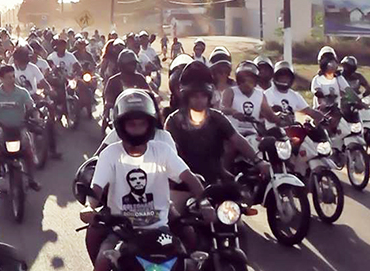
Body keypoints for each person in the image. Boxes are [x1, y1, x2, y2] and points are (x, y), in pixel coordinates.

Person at [82, 89, 213, 271]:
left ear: (150, 124)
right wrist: (89, 207)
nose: (136, 129)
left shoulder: (162, 150)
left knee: (188, 258)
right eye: (131, 124)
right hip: (122, 230)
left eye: (141, 124)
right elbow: (96, 188)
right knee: (103, 262)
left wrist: (205, 203)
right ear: (120, 125)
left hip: (160, 229)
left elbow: (189, 178)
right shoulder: (109, 154)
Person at [165, 61, 270, 194]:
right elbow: (168, 155)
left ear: (208, 97)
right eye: (194, 96)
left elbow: (237, 139)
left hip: (215, 180)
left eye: (203, 96)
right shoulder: (173, 121)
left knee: (240, 203)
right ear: (186, 97)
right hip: (183, 184)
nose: (199, 100)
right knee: (174, 212)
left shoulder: (216, 117)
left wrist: (258, 161)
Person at [0, 65, 41, 192]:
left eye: (13, 76)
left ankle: (32, 179)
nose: (12, 79)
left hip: (20, 127)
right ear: (1, 78)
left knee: (28, 151)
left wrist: (36, 117)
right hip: (1, 128)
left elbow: (31, 106)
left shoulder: (22, 92)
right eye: (8, 77)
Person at [221, 61, 281, 137]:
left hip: (253, 134)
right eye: (243, 80)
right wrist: (233, 112)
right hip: (233, 133)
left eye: (250, 80)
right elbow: (223, 108)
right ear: (238, 81)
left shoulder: (260, 95)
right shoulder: (230, 91)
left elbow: (270, 115)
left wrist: (282, 119)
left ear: (256, 81)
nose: (246, 83)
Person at [103, 49, 151, 114]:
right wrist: (109, 102)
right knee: (107, 116)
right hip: (119, 112)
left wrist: (154, 96)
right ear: (122, 65)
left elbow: (148, 92)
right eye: (130, 64)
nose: (133, 66)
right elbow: (108, 96)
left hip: (139, 111)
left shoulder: (140, 78)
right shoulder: (113, 81)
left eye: (134, 64)